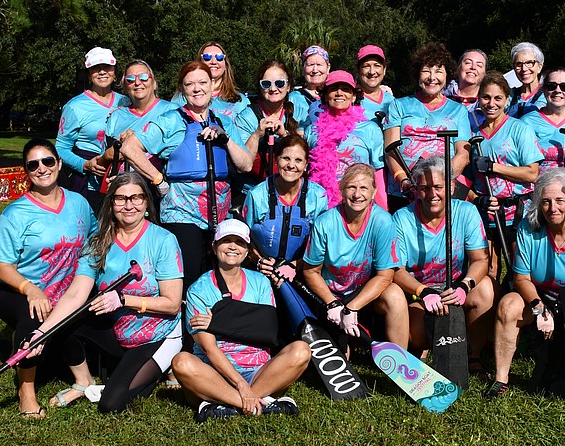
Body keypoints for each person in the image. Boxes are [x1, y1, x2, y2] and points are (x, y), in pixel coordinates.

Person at [26, 172, 184, 414]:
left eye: (136, 198)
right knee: (66, 322)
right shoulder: (97, 243)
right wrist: (42, 332)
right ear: (111, 204)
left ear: (146, 202)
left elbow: (172, 304)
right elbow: (76, 294)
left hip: (156, 335)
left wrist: (123, 299)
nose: (129, 205)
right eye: (120, 199)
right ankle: (84, 381)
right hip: (119, 332)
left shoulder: (164, 240)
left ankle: (159, 369)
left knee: (111, 404)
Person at [0, 139, 97, 419]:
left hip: (68, 293)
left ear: (59, 164)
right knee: (34, 319)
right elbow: (3, 267)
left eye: (48, 161)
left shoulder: (79, 203)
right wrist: (31, 289)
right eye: (33, 164)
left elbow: (95, 238)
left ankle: (84, 380)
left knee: (67, 325)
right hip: (18, 292)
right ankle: (26, 391)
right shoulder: (15, 213)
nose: (42, 168)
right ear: (26, 171)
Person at [120, 60, 252, 286]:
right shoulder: (171, 120)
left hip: (219, 213)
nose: (197, 88)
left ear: (212, 85)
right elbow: (129, 148)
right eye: (189, 84)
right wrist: (158, 179)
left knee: (218, 279)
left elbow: (246, 164)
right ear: (182, 89)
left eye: (202, 82)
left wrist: (225, 139)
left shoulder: (224, 122)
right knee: (190, 274)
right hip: (181, 211)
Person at [487, 168, 565, 397]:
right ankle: (501, 379)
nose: (552, 208)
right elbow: (521, 278)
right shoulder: (529, 229)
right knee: (508, 305)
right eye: (545, 202)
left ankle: (557, 349)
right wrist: (539, 308)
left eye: (559, 200)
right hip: (541, 296)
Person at [172, 219, 311, 421]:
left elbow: (267, 331)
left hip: (257, 370)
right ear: (214, 246)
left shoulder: (261, 282)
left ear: (247, 251)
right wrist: (241, 385)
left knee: (301, 350)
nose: (232, 247)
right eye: (226, 241)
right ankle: (258, 402)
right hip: (213, 373)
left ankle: (225, 403)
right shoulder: (199, 289)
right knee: (181, 362)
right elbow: (209, 348)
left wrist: (217, 323)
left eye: (239, 243)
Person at [392, 156, 493, 369]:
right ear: (416, 189)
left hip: (455, 289)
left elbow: (480, 260)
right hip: (419, 294)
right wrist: (423, 291)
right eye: (424, 188)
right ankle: (426, 348)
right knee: (417, 336)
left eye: (438, 187)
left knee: (487, 289)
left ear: (452, 186)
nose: (432, 194)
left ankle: (472, 354)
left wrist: (465, 285)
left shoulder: (466, 211)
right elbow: (397, 271)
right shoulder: (402, 218)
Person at [301, 163, 408, 347]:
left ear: (374, 192)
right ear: (342, 191)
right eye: (351, 187)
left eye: (364, 188)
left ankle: (401, 363)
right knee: (342, 361)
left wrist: (352, 307)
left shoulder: (383, 221)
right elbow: (311, 271)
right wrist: (332, 303)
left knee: (395, 295)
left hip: (363, 294)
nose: (357, 195)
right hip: (329, 295)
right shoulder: (324, 223)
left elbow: (385, 276)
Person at [384, 42, 472, 210]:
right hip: (403, 192)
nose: (432, 77)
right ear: (417, 74)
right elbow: (390, 149)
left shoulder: (458, 110)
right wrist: (404, 181)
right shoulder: (398, 105)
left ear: (447, 76)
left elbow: (463, 153)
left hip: (442, 192)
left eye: (439, 71)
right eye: (426, 70)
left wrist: (440, 181)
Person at [468, 72, 541, 274]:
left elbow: (532, 173)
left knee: (519, 271)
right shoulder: (473, 134)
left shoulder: (520, 129)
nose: (491, 103)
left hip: (517, 214)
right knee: (489, 271)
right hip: (486, 212)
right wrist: (477, 199)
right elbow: (466, 179)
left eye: (498, 98)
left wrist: (493, 167)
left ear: (507, 100)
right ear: (479, 99)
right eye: (486, 97)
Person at [243, 134, 329, 276]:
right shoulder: (256, 195)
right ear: (277, 159)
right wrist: (258, 261)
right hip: (262, 272)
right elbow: (243, 238)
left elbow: (322, 245)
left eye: (298, 160)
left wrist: (295, 266)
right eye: (286, 158)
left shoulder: (318, 196)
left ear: (306, 165)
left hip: (301, 272)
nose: (291, 165)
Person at [56, 47, 127, 213]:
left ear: (115, 72)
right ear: (89, 74)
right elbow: (60, 148)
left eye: (107, 67)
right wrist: (85, 164)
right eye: (96, 68)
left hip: (122, 180)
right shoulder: (74, 106)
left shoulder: (126, 101)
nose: (102, 72)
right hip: (89, 184)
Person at [305, 70, 387, 209]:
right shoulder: (312, 131)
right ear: (325, 95)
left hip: (359, 203)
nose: (339, 93)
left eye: (345, 89)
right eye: (333, 89)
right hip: (321, 204)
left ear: (354, 96)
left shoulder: (370, 129)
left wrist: (383, 208)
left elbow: (378, 172)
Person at [104, 60, 177, 183]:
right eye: (130, 79)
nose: (137, 83)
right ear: (125, 86)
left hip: (162, 186)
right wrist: (121, 145)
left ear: (154, 83)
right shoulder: (116, 116)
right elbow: (105, 156)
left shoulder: (172, 111)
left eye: (143, 78)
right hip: (124, 189)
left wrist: (137, 141)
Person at [234, 59, 300, 191]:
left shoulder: (298, 113)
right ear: (260, 87)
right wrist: (257, 134)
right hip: (253, 191)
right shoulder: (247, 117)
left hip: (290, 190)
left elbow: (305, 157)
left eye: (280, 83)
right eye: (266, 84)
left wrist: (285, 136)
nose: (273, 88)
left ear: (288, 87)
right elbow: (242, 165)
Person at [519, 66, 565, 173]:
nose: (558, 90)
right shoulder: (526, 122)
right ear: (544, 90)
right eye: (551, 86)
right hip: (537, 187)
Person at [173, 41, 250, 124]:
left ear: (225, 66)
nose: (213, 62)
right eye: (207, 57)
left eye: (219, 57)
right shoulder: (182, 98)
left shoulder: (240, 101)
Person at [288, 45, 331, 130]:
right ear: (303, 68)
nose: (315, 70)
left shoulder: (336, 95)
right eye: (310, 65)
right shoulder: (293, 98)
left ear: (328, 68)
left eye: (319, 65)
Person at [507, 42, 549, 118]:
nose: (524, 69)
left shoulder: (549, 95)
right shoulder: (509, 95)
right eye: (519, 64)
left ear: (539, 67)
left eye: (529, 63)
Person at [356, 45, 395, 118]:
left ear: (384, 70)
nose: (372, 72)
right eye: (366, 66)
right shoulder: (350, 100)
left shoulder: (391, 100)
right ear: (358, 70)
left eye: (377, 66)